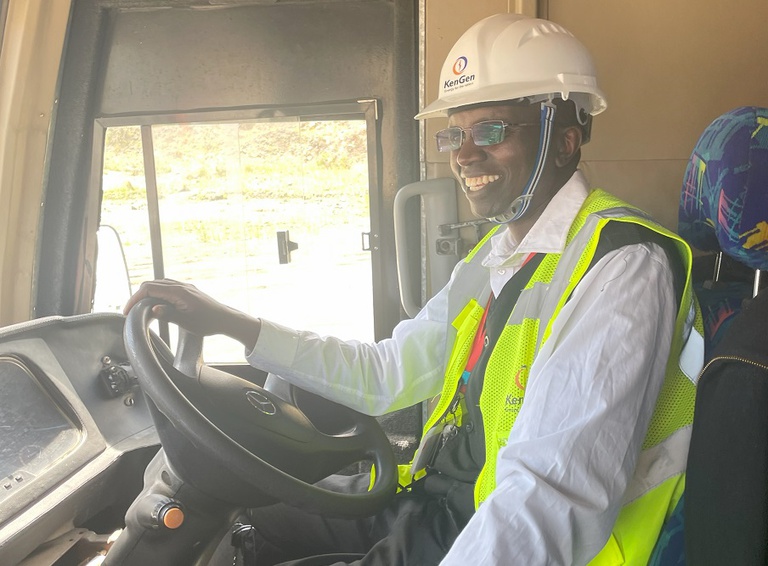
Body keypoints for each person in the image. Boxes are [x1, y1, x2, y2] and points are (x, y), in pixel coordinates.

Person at [125, 13, 703, 566]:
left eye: (491, 130)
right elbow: (385, 373)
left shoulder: (624, 267)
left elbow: (549, 499)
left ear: (564, 140)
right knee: (246, 520)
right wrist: (232, 323)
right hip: (432, 501)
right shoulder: (496, 256)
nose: (465, 154)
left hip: (484, 528)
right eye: (455, 134)